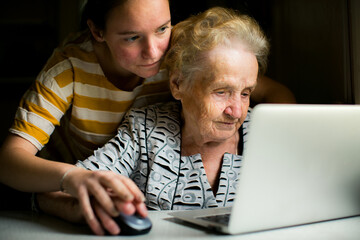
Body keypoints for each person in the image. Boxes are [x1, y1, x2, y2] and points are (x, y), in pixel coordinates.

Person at [0, 0, 293, 234]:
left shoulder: (181, 48)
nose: (154, 53)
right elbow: (11, 161)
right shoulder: (68, 73)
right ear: (98, 32)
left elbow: (251, 84)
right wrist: (71, 178)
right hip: (69, 180)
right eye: (132, 37)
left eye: (163, 28)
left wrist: (284, 135)